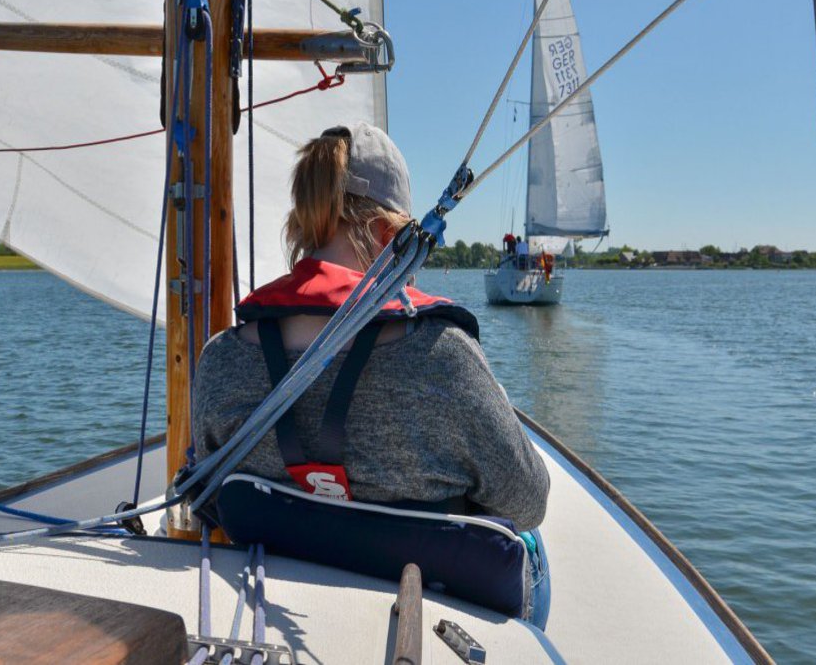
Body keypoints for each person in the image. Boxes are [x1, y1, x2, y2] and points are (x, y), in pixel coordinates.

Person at [193, 122, 549, 536]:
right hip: (420, 590)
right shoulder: (443, 358)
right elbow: (528, 503)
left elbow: (210, 491)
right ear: (387, 235)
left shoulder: (221, 360)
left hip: (272, 573)